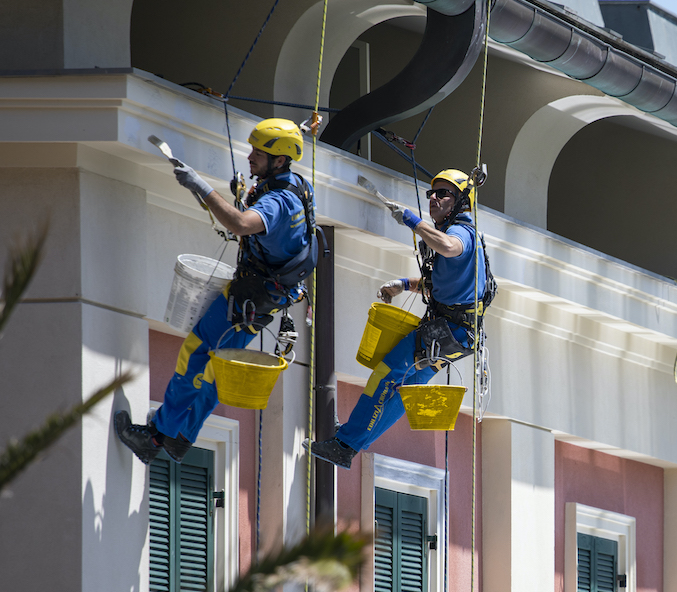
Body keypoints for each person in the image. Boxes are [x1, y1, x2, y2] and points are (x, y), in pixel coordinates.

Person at [114, 118, 318, 464]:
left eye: (259, 152)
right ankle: (180, 436)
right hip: (268, 297)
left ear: (279, 160)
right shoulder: (295, 185)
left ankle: (156, 436)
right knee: (216, 368)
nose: (250, 156)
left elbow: (240, 224)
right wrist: (300, 129)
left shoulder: (278, 202)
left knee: (194, 354)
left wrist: (200, 186)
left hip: (248, 298)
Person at [307, 168, 492, 469]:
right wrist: (405, 284)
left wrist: (413, 221)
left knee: (386, 374)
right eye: (432, 193)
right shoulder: (456, 233)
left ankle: (346, 443)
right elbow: (442, 284)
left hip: (448, 331)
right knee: (402, 387)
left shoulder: (461, 233)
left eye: (443, 193)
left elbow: (449, 247)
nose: (433, 198)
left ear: (461, 202)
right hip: (454, 333)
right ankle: (351, 443)